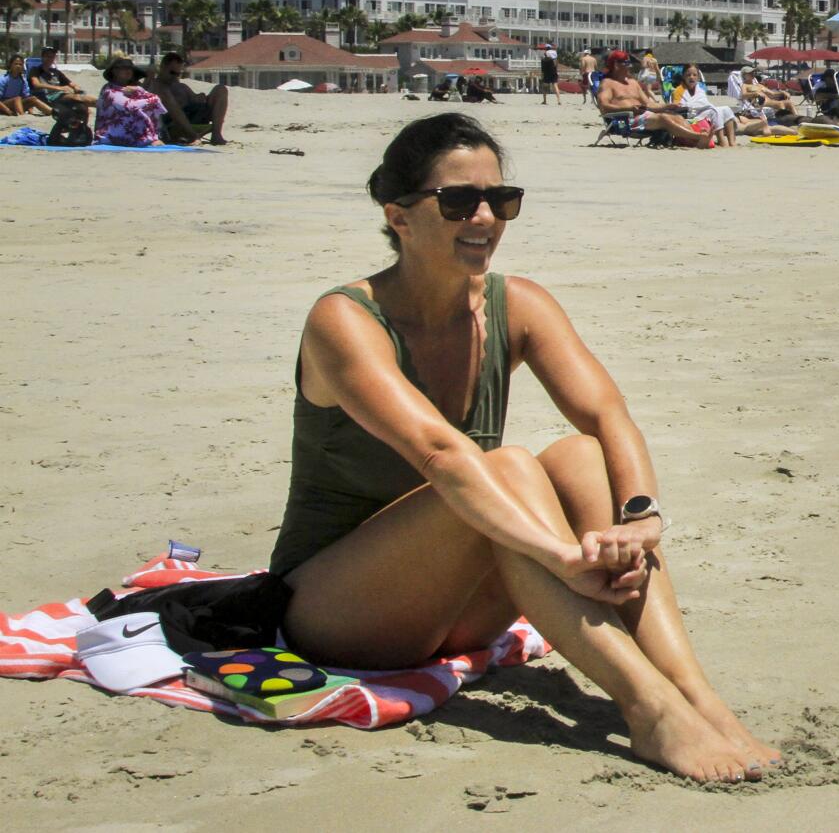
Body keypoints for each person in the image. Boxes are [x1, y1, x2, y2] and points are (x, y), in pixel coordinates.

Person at [273, 115, 777, 782]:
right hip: (338, 611)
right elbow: (439, 455)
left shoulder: (518, 305)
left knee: (578, 455)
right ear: (398, 216)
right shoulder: (344, 320)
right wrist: (560, 555)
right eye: (457, 201)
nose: (484, 216)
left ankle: (694, 693)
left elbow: (607, 412)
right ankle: (647, 705)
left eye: (500, 199)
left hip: (456, 609)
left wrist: (642, 514)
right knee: (503, 465)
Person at [594, 50, 712, 147]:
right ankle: (699, 137)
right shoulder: (607, 83)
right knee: (664, 118)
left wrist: (666, 106)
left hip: (644, 116)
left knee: (675, 115)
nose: (629, 67)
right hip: (624, 120)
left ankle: (697, 141)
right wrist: (629, 108)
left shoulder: (633, 83)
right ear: (616, 65)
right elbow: (603, 106)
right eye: (626, 64)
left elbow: (648, 103)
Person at [146, 50, 231, 145]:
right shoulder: (155, 85)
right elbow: (140, 96)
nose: (174, 77)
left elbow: (195, 100)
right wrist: (148, 78)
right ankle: (193, 136)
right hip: (172, 125)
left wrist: (199, 97)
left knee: (220, 89)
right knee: (166, 93)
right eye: (172, 73)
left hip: (193, 118)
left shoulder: (181, 87)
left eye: (177, 74)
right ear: (162, 67)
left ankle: (216, 135)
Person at [94, 56, 167, 146]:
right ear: (115, 71)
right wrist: (142, 92)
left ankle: (151, 138)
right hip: (110, 137)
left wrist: (139, 90)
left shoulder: (132, 90)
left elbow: (157, 99)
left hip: (127, 135)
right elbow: (131, 106)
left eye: (130, 68)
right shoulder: (109, 91)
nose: (128, 71)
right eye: (124, 68)